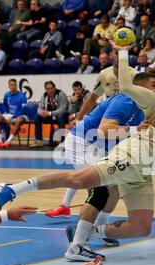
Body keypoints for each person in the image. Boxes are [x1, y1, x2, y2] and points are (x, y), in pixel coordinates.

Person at [0, 52, 155, 256]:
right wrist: (122, 52)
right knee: (91, 185)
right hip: (88, 142)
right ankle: (13, 191)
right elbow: (105, 128)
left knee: (141, 226)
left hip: (141, 166)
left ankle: (92, 232)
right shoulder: (153, 99)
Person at [62, 72, 155, 261]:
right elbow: (103, 131)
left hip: (100, 146)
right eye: (154, 85)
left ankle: (99, 230)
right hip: (82, 142)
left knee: (114, 186)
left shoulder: (144, 108)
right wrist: (134, 130)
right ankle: (76, 245)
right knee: (100, 189)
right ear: (140, 88)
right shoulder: (124, 101)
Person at [44, 48, 137, 218]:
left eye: (119, 53)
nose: (116, 56)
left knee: (108, 176)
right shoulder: (105, 74)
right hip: (104, 124)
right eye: (114, 53)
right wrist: (78, 118)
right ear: (111, 56)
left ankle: (139, 208)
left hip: (120, 128)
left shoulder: (133, 74)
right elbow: (92, 99)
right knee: (91, 173)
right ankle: (68, 206)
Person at [30, 81, 69, 148]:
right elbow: (39, 108)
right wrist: (41, 113)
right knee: (37, 117)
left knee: (60, 116)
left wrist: (50, 113)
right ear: (46, 89)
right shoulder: (44, 95)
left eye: (51, 88)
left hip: (62, 116)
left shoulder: (61, 94)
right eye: (48, 89)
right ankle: (39, 141)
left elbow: (63, 109)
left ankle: (62, 141)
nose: (50, 90)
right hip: (50, 116)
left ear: (54, 88)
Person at [0, 79, 28, 148]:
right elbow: (4, 104)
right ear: (8, 86)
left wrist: (13, 117)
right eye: (11, 85)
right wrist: (7, 113)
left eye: (14, 85)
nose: (13, 86)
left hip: (21, 115)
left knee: (19, 120)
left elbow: (23, 110)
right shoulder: (6, 95)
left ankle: (8, 141)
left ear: (16, 86)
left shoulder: (22, 96)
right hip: (10, 114)